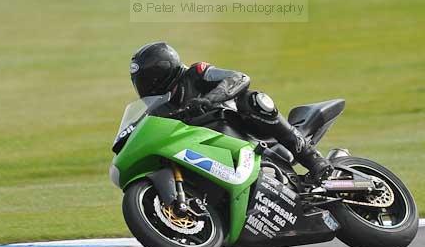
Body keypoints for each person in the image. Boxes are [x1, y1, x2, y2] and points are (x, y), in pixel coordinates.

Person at [130, 41, 332, 180]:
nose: (145, 86)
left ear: (163, 72)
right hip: (211, 149)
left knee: (254, 100)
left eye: (148, 79)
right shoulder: (160, 109)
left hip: (244, 130)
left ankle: (312, 158)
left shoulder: (196, 73)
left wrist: (210, 99)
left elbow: (239, 77)